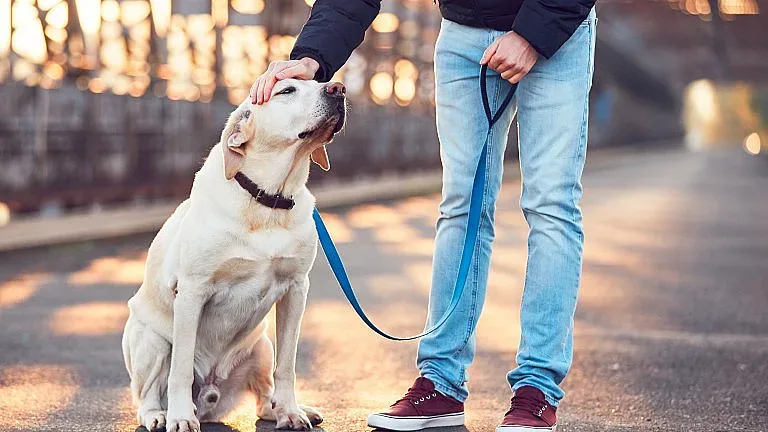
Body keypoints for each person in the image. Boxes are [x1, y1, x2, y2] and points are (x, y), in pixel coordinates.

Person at [251, 0, 596, 430]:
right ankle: (441, 384)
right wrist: (312, 58)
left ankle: (537, 390)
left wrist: (533, 34)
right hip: (463, 36)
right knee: (460, 207)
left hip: (555, 36)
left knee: (551, 205)